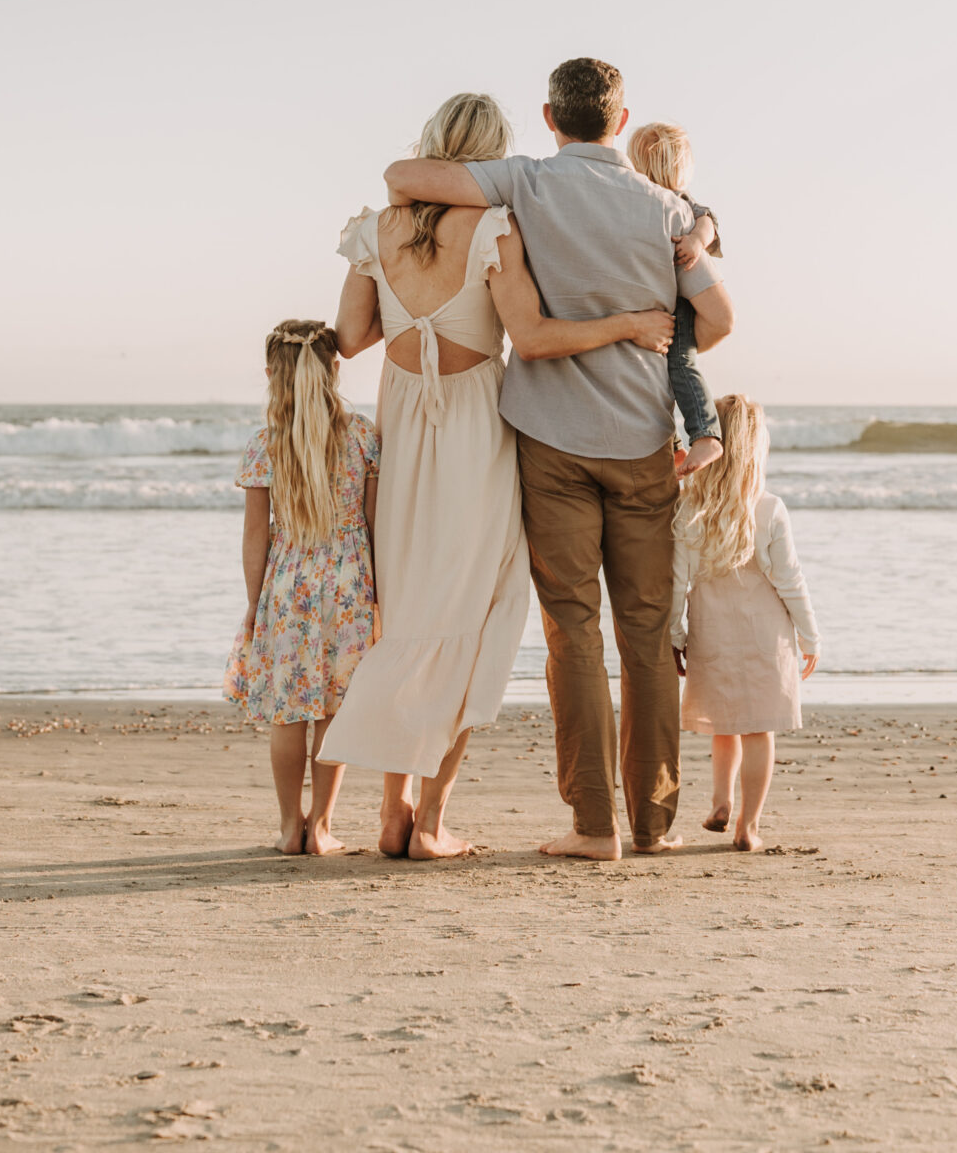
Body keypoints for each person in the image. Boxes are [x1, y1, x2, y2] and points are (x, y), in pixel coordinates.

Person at [383, 55, 734, 860]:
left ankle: (591, 827)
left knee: (571, 632)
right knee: (644, 634)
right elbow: (718, 320)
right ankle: (651, 826)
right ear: (619, 119)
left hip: (548, 440)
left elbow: (403, 174)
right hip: (643, 440)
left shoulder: (524, 183)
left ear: (549, 118)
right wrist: (655, 337)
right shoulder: (665, 208)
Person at [323, 91, 675, 860]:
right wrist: (629, 325)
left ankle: (392, 810)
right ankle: (432, 824)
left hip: (405, 430)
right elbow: (534, 338)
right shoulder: (492, 227)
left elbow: (351, 337)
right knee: (479, 613)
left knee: (408, 612)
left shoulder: (370, 231)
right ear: (486, 159)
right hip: (478, 432)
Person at [226, 318, 379, 856]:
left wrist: (254, 605)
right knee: (333, 710)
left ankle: (290, 827)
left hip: (288, 588)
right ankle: (322, 827)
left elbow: (254, 538)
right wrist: (380, 596)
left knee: (288, 711)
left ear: (272, 375)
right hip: (348, 586)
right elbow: (375, 522)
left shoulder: (265, 444)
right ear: (334, 370)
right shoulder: (361, 434)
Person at [670, 394, 820, 853]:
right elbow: (790, 579)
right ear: (757, 447)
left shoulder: (690, 507)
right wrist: (809, 634)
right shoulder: (769, 507)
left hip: (711, 633)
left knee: (723, 726)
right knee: (759, 731)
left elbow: (677, 581)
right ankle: (747, 827)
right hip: (765, 638)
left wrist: (676, 635)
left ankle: (719, 802)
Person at [626, 120, 725, 474]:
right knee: (660, 378)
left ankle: (706, 436)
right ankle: (675, 445)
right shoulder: (636, 201)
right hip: (653, 304)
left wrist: (697, 241)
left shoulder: (682, 206)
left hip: (678, 306)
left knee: (680, 365)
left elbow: (708, 220)